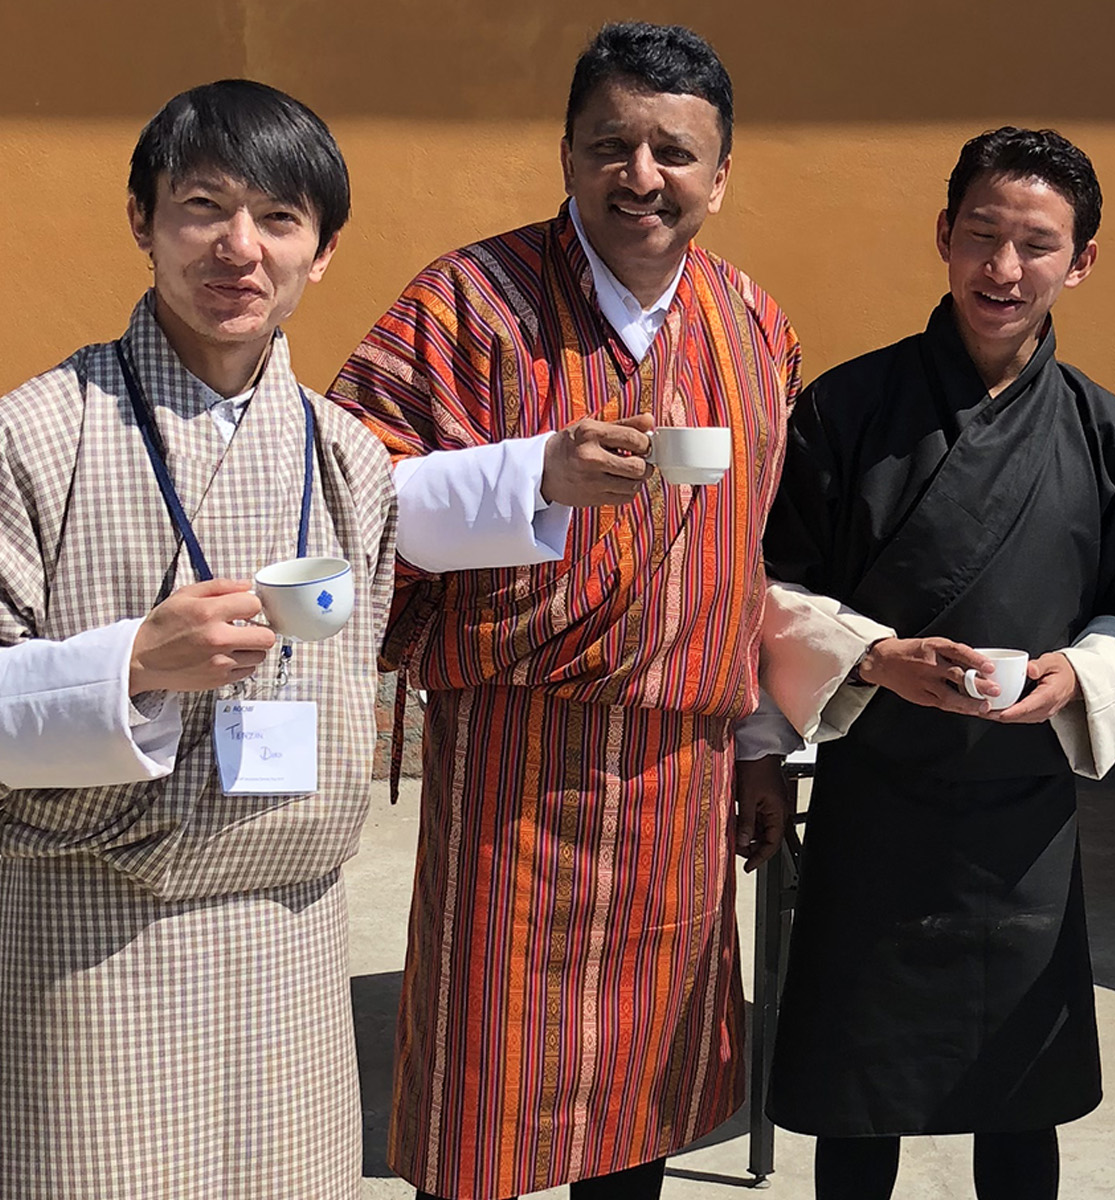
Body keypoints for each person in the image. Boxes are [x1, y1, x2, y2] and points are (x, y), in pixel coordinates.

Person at [0, 81, 396, 1199]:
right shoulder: (32, 436)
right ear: (142, 220)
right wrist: (124, 670)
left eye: (280, 219)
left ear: (324, 250)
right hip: (97, 922)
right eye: (203, 206)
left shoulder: (349, 459)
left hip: (291, 926)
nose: (239, 248)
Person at [325, 22, 801, 1200]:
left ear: (722, 173)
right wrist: (527, 476)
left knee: (638, 1092)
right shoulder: (468, 301)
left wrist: (755, 745)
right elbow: (337, 496)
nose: (643, 177)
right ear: (567, 155)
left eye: (675, 153)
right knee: (484, 1080)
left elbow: (746, 556)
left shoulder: (756, 327)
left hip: (683, 771)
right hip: (517, 759)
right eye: (612, 146)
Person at [745, 127, 1115, 1200]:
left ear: (1079, 261)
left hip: (1019, 815)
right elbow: (765, 585)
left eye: (1036, 244)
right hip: (875, 802)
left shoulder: (1105, 434)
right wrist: (872, 657)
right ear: (944, 236)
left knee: (1015, 1092)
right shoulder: (846, 412)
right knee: (862, 1095)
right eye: (982, 235)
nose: (1004, 269)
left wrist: (1082, 676)